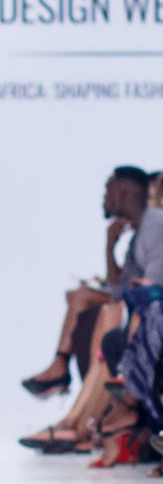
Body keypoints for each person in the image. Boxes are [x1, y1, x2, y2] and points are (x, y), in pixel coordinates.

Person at [20, 167, 163, 452]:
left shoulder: (156, 226)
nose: (104, 197)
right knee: (83, 298)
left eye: (108, 190)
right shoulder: (137, 234)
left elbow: (150, 287)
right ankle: (65, 386)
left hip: (148, 309)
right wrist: (109, 246)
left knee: (110, 316)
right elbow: (119, 286)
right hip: (139, 306)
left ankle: (78, 423)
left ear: (124, 193)